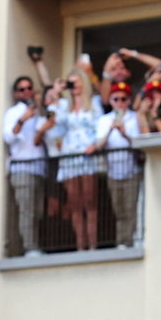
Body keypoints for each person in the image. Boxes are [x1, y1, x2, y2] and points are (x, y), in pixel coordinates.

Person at [54, 72, 104, 252]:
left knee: (89, 200)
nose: (73, 86)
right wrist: (57, 95)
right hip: (69, 155)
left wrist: (96, 145)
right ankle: (80, 245)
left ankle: (92, 244)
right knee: (75, 202)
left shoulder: (94, 103)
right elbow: (57, 123)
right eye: (71, 83)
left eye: (76, 82)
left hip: (87, 154)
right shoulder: (65, 106)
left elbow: (100, 126)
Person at [92, 82, 143, 247]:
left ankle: (130, 240)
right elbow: (99, 145)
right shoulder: (104, 120)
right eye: (116, 99)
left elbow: (138, 143)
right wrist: (110, 130)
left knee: (131, 208)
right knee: (118, 210)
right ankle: (121, 241)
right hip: (113, 171)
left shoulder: (134, 118)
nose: (120, 103)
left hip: (131, 170)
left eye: (123, 99)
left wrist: (124, 133)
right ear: (111, 101)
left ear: (128, 101)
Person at [4, 76, 48, 257]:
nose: (26, 92)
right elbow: (8, 137)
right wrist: (23, 120)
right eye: (22, 89)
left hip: (39, 168)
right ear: (16, 94)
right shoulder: (13, 112)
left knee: (38, 211)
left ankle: (35, 245)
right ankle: (29, 248)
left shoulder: (39, 111)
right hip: (22, 168)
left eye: (29, 88)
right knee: (26, 210)